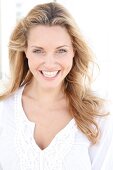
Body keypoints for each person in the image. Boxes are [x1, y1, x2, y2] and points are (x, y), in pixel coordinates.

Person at [0, 2, 113, 170]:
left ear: (74, 51)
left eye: (61, 50)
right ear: (25, 51)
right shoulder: (3, 110)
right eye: (38, 51)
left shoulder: (98, 116)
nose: (50, 64)